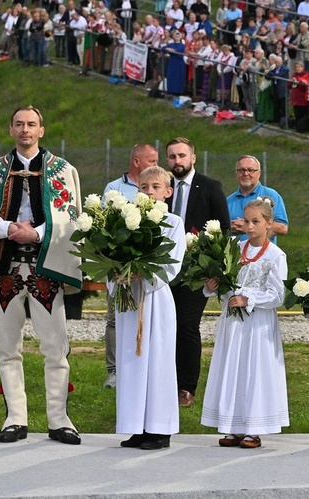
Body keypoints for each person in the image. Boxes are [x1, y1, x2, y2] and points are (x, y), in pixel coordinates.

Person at [0, 106, 83, 445]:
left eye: (31, 124)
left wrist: (37, 234)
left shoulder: (62, 170)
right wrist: (7, 228)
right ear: (11, 129)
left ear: (41, 130)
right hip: (5, 267)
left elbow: (71, 218)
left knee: (55, 347)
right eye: (19, 124)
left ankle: (59, 420)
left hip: (47, 268)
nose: (25, 130)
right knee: (7, 348)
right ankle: (15, 418)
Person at [201, 199, 289, 449]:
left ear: (269, 224)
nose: (250, 227)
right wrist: (211, 287)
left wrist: (249, 299)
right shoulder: (233, 249)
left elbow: (278, 294)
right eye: (247, 221)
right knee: (233, 369)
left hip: (257, 324)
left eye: (256, 222)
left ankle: (254, 427)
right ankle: (233, 425)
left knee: (253, 371)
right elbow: (222, 280)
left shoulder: (275, 255)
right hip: (233, 323)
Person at [115, 166, 186, 451]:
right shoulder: (126, 221)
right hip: (130, 299)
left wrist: (142, 273)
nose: (149, 192)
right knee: (131, 361)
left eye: (155, 187)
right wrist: (119, 272)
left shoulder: (173, 222)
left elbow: (172, 264)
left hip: (155, 301)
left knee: (157, 363)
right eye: (144, 187)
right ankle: (137, 426)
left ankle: (160, 428)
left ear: (168, 192)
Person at [166, 137, 231, 408]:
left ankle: (186, 386)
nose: (177, 161)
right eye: (172, 157)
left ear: (193, 158)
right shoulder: (162, 187)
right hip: (163, 269)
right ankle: (164, 381)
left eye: (182, 156)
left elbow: (223, 230)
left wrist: (212, 271)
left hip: (196, 272)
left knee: (187, 326)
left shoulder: (211, 187)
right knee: (166, 326)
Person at [100, 144, 160, 389]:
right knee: (115, 320)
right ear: (137, 162)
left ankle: (145, 367)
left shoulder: (159, 187)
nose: (157, 164)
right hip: (119, 266)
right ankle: (114, 371)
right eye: (152, 160)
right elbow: (105, 226)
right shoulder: (114, 189)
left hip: (147, 266)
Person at [227, 155, 289, 243]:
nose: (245, 173)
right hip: (236, 255)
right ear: (236, 173)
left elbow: (283, 228)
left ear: (259, 173)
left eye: (251, 170)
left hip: (263, 255)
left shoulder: (271, 195)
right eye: (241, 170)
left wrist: (248, 227)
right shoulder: (228, 201)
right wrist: (228, 228)